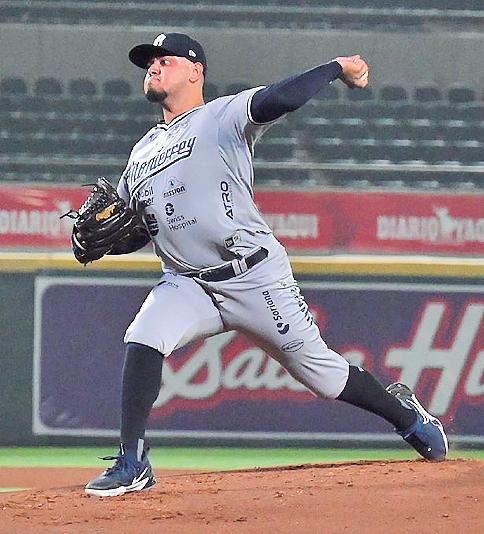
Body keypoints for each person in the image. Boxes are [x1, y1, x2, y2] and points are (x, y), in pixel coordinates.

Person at [82, 32, 448, 497]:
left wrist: (337, 66)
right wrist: (102, 242)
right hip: (188, 283)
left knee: (324, 376)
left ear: (195, 71)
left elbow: (281, 98)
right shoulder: (140, 154)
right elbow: (137, 229)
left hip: (253, 275)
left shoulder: (223, 116)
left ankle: (406, 415)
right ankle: (132, 462)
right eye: (148, 63)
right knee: (144, 336)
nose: (153, 67)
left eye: (164, 60)